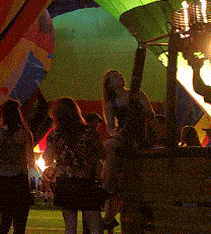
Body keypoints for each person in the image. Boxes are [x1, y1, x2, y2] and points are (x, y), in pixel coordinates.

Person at [44, 97, 107, 234]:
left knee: (70, 227)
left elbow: (47, 159)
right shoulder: (89, 132)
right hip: (86, 183)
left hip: (65, 184)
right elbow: (102, 154)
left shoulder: (54, 135)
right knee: (95, 226)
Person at [101, 69, 153, 232]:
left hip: (140, 134)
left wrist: (139, 108)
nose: (120, 77)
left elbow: (150, 114)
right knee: (109, 145)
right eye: (115, 76)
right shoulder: (111, 103)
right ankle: (108, 183)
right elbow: (110, 127)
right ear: (109, 84)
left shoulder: (138, 95)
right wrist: (118, 133)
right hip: (124, 136)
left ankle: (108, 184)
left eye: (120, 75)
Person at [0, 99, 34, 234]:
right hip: (19, 179)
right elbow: (30, 161)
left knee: (5, 222)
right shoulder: (24, 134)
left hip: (3, 180)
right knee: (20, 224)